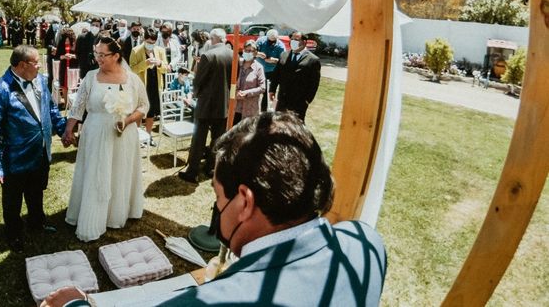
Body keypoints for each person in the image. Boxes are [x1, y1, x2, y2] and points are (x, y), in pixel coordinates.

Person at [43, 112, 387, 307]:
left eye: (218, 197)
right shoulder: (365, 242)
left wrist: (74, 304)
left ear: (245, 201)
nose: (216, 208)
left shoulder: (219, 301)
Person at [61, 37, 148, 242]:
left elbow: (143, 107)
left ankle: (115, 213)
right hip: (95, 132)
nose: (98, 58)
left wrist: (127, 121)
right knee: (96, 173)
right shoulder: (91, 77)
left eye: (103, 55)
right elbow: (78, 107)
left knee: (118, 171)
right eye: (96, 54)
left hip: (124, 135)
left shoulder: (132, 80)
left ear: (116, 56)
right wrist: (68, 130)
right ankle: (92, 217)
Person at [0, 45, 66, 252]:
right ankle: (13, 234)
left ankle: (37, 222)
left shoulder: (39, 80)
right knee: (12, 200)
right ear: (21, 65)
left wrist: (64, 130)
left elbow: (51, 109)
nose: (40, 66)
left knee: (36, 192)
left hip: (39, 151)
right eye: (36, 62)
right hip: (14, 157)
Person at [180, 28, 232, 183]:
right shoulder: (232, 54)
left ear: (214, 38)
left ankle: (192, 172)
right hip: (224, 103)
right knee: (217, 138)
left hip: (206, 103)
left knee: (199, 138)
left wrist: (193, 94)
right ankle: (211, 167)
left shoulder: (207, 55)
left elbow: (198, 81)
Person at [269, 31, 321, 122]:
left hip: (299, 102)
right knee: (279, 124)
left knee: (295, 126)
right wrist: (272, 89)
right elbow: (277, 74)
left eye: (296, 39)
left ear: (304, 42)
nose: (293, 42)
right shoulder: (284, 55)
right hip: (282, 99)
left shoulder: (313, 60)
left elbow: (314, 84)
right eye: (292, 39)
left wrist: (307, 100)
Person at [129, 28, 168, 139]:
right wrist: (144, 64)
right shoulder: (135, 50)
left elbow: (166, 68)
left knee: (151, 113)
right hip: (141, 87)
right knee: (139, 112)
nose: (151, 45)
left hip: (155, 85)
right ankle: (136, 137)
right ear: (144, 39)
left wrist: (160, 63)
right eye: (149, 42)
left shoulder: (160, 50)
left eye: (153, 43)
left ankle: (148, 135)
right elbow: (131, 70)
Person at [234, 40, 266, 123]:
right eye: (246, 50)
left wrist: (247, 93)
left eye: (251, 51)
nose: (248, 52)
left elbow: (262, 88)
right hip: (235, 107)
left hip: (250, 108)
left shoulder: (258, 67)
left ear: (255, 53)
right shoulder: (237, 64)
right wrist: (236, 91)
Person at [257, 28, 285, 112]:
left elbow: (283, 60)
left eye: (273, 41)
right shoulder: (261, 41)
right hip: (261, 71)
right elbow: (252, 51)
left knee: (269, 93)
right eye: (270, 41)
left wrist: (274, 60)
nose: (271, 43)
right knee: (262, 91)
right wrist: (258, 54)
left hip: (273, 72)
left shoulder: (280, 46)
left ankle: (270, 111)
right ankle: (263, 111)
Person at [54, 27, 78, 101]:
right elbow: (57, 56)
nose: (66, 41)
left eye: (68, 39)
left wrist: (73, 56)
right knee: (64, 85)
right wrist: (64, 56)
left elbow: (79, 55)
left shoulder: (76, 44)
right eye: (65, 39)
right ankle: (65, 102)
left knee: (73, 84)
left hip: (73, 67)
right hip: (64, 67)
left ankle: (71, 102)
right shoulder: (61, 43)